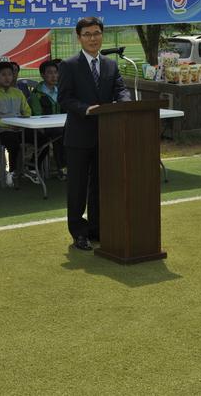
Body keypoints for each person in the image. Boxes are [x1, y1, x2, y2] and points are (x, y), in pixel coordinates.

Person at [58, 17, 130, 251]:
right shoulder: (69, 65)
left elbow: (120, 89)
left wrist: (124, 103)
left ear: (102, 35)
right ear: (79, 38)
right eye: (87, 34)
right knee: (77, 187)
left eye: (97, 33)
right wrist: (86, 109)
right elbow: (65, 98)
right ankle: (79, 232)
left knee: (100, 185)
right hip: (79, 135)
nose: (93, 38)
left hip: (106, 135)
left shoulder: (110, 64)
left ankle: (97, 229)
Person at [0, 61, 32, 188]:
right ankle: (12, 172)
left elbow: (27, 111)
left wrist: (21, 122)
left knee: (43, 138)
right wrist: (5, 125)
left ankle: (32, 169)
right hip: (2, 131)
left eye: (10, 74)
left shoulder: (18, 93)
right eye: (3, 75)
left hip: (20, 128)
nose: (7, 77)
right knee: (13, 143)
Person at [29, 58, 66, 178]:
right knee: (61, 134)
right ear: (42, 75)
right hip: (44, 128)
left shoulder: (61, 91)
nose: (54, 76)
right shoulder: (36, 94)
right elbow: (37, 114)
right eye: (50, 73)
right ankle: (62, 168)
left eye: (56, 72)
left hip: (61, 125)